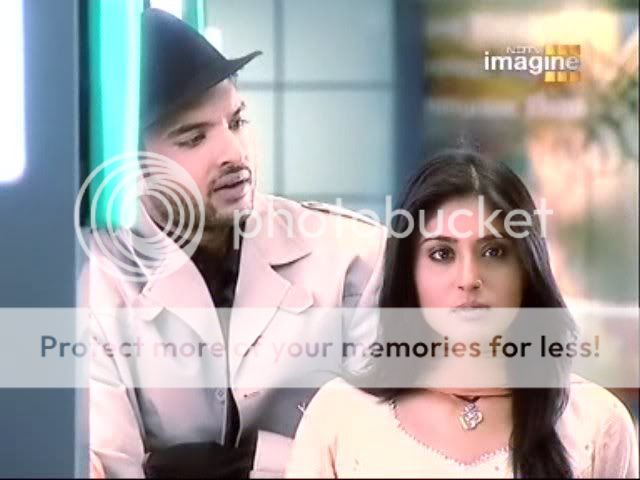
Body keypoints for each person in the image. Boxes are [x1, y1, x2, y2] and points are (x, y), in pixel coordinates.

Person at [83, 8, 386, 478]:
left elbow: (392, 451)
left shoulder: (354, 256)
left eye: (237, 121)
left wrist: (257, 463)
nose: (234, 153)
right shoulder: (96, 283)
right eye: (193, 138)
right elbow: (102, 464)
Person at [285, 150, 639, 478]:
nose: (469, 279)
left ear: (527, 268)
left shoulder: (597, 422)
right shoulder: (340, 414)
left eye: (494, 251)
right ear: (408, 272)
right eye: (442, 254)